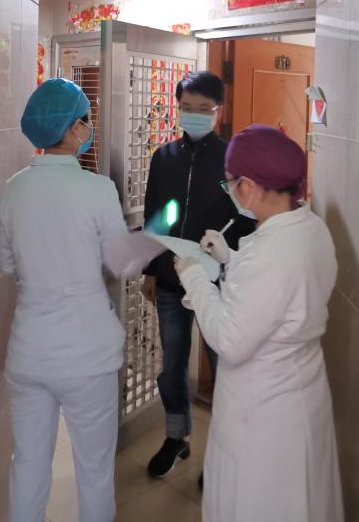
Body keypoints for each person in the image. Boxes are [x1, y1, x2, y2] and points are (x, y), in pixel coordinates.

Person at [174, 125, 344, 522]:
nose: (231, 191)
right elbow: (278, 298)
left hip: (264, 417)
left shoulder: (269, 253)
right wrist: (230, 259)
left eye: (230, 183)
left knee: (262, 504)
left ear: (248, 185)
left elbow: (230, 339)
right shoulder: (311, 228)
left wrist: (195, 276)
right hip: (301, 395)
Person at [0, 78, 127, 522]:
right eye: (86, 120)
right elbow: (121, 262)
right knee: (94, 472)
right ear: (73, 128)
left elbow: (7, 264)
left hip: (29, 352)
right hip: (87, 356)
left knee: (27, 465)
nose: (89, 128)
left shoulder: (14, 188)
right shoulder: (98, 189)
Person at [141, 71, 254, 481]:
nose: (193, 115)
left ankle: (223, 453)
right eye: (186, 108)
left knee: (224, 368)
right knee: (172, 364)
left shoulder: (234, 161)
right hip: (172, 279)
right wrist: (151, 270)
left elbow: (247, 221)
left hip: (219, 282)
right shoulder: (164, 157)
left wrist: (233, 262)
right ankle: (176, 438)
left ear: (218, 111)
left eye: (203, 109)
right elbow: (156, 216)